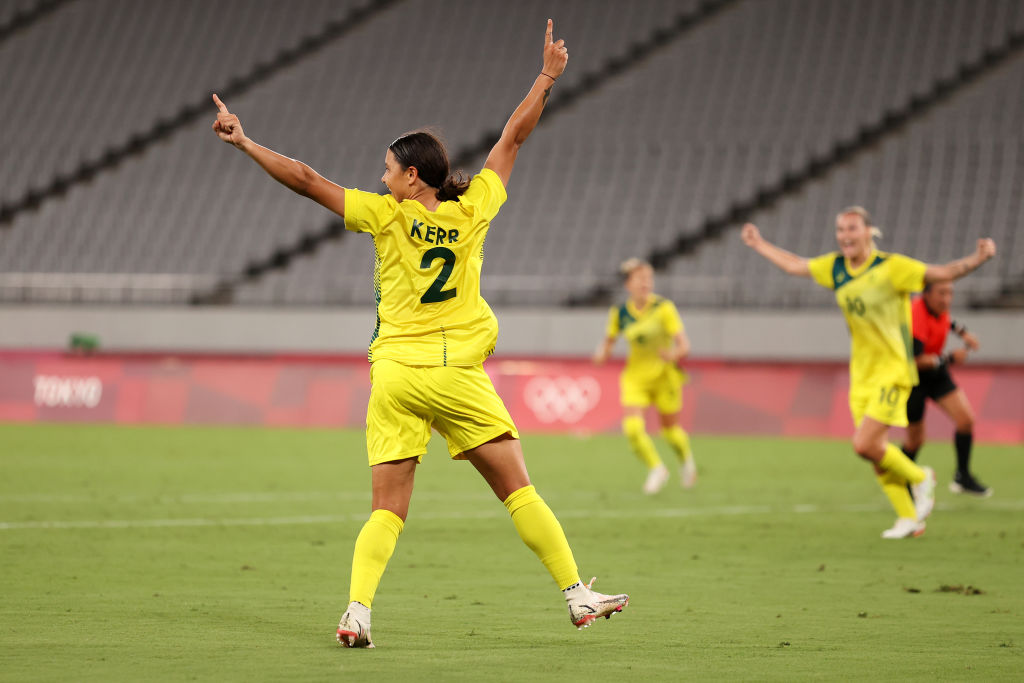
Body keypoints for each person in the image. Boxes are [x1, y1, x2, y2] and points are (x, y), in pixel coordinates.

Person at [211, 20, 628, 648]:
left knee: (387, 509)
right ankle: (576, 595)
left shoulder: (384, 216)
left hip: (395, 376)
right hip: (455, 374)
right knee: (518, 490)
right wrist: (546, 76)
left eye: (387, 169)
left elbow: (302, 177)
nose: (381, 177)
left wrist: (244, 141)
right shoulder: (473, 208)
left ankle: (357, 612)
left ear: (412, 179)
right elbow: (512, 138)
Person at [741, 207, 996, 539]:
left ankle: (920, 477)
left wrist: (978, 258)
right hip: (861, 374)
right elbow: (794, 265)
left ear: (867, 232)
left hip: (893, 370)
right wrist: (759, 244)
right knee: (877, 454)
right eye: (840, 229)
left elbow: (941, 272)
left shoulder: (892, 267)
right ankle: (908, 518)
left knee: (864, 444)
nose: (845, 235)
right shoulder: (835, 267)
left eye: (852, 229)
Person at [593, 258, 696, 494]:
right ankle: (657, 468)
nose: (645, 283)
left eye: (649, 278)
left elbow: (684, 346)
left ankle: (686, 463)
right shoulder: (619, 313)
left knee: (670, 432)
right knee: (632, 428)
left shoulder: (664, 308)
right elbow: (608, 342)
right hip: (635, 378)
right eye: (640, 279)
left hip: (664, 376)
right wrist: (602, 355)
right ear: (628, 284)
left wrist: (672, 354)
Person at [901, 281, 991, 496]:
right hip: (912, 378)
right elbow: (916, 360)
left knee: (965, 420)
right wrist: (950, 357)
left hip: (936, 373)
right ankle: (901, 481)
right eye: (942, 293)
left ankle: (962, 476)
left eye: (950, 293)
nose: (947, 299)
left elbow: (948, 321)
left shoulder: (938, 308)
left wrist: (964, 333)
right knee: (915, 440)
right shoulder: (915, 313)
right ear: (926, 294)